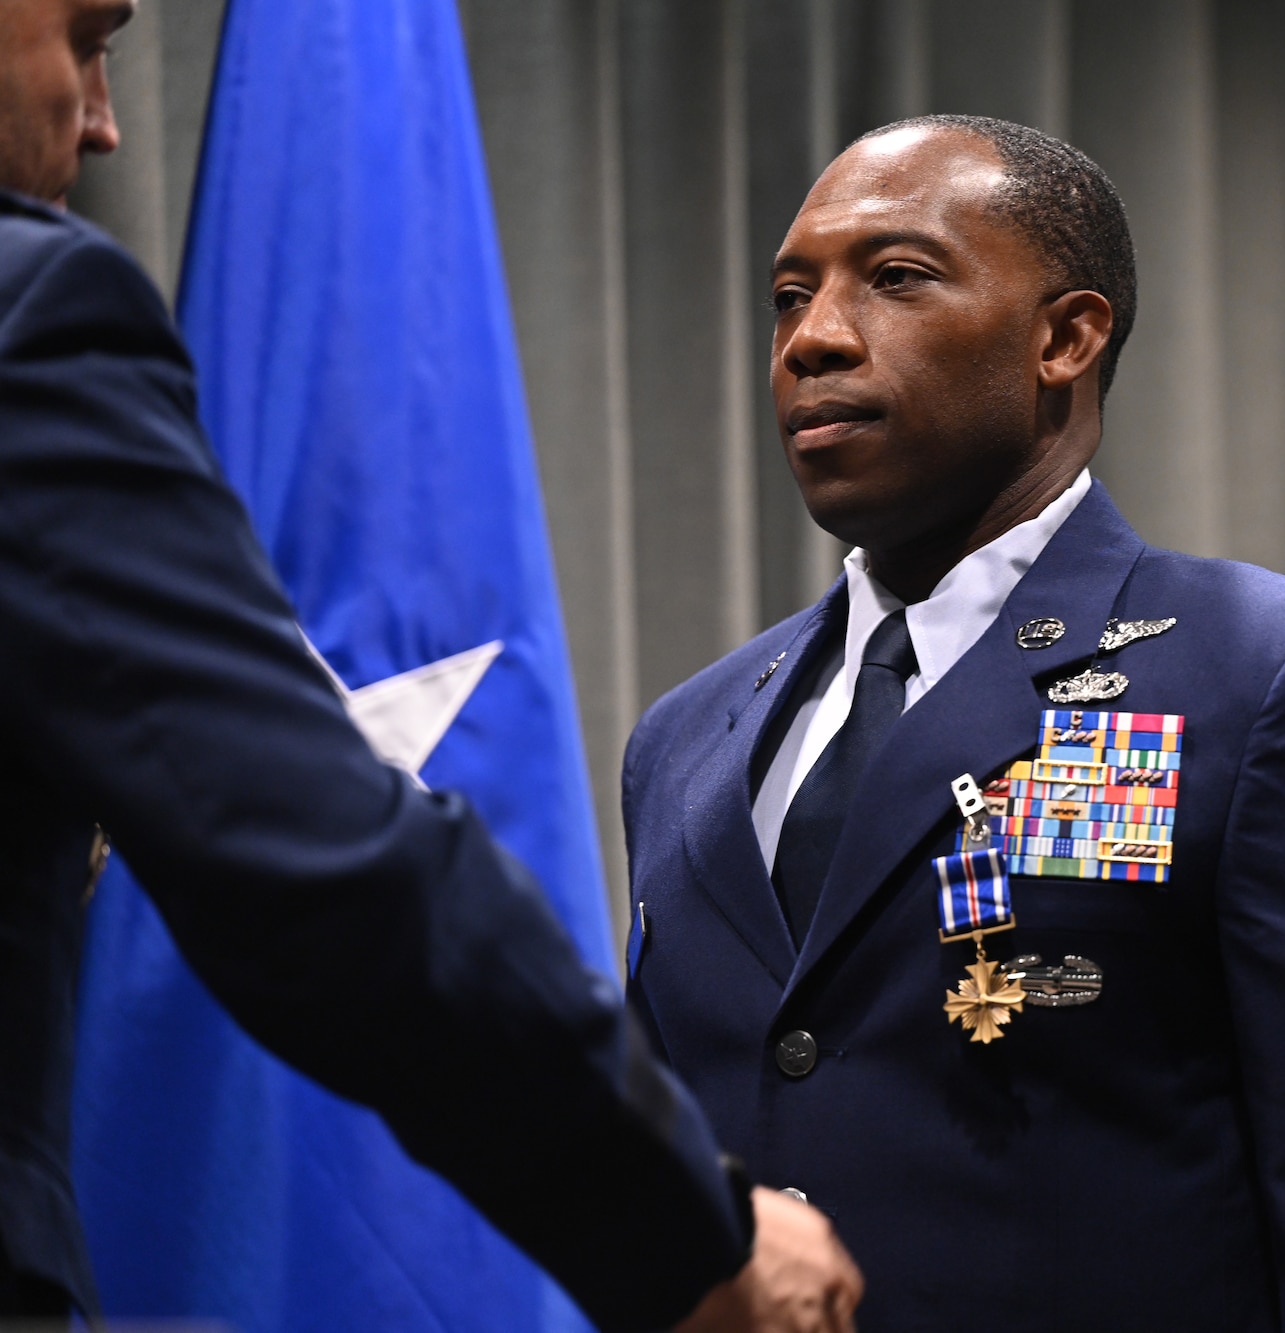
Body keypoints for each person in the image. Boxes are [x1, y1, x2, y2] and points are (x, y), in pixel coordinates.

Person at [0, 1, 863, 1328]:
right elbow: (302, 845)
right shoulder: (30, 309)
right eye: (90, 38)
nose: (106, 120)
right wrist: (683, 1222)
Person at [622, 114, 1285, 1330]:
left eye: (893, 279)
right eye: (790, 296)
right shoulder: (684, 742)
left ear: (1063, 337)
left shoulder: (1270, 678)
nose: (814, 339)